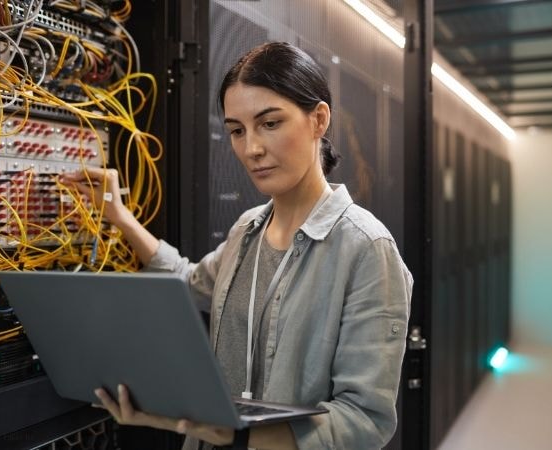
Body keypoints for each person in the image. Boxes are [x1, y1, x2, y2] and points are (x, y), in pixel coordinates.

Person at [60, 42, 412, 450]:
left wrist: (238, 436)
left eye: (270, 123)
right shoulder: (248, 230)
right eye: (237, 131)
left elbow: (365, 420)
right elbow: (188, 281)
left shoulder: (366, 249)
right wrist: (120, 218)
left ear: (318, 120)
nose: (251, 149)